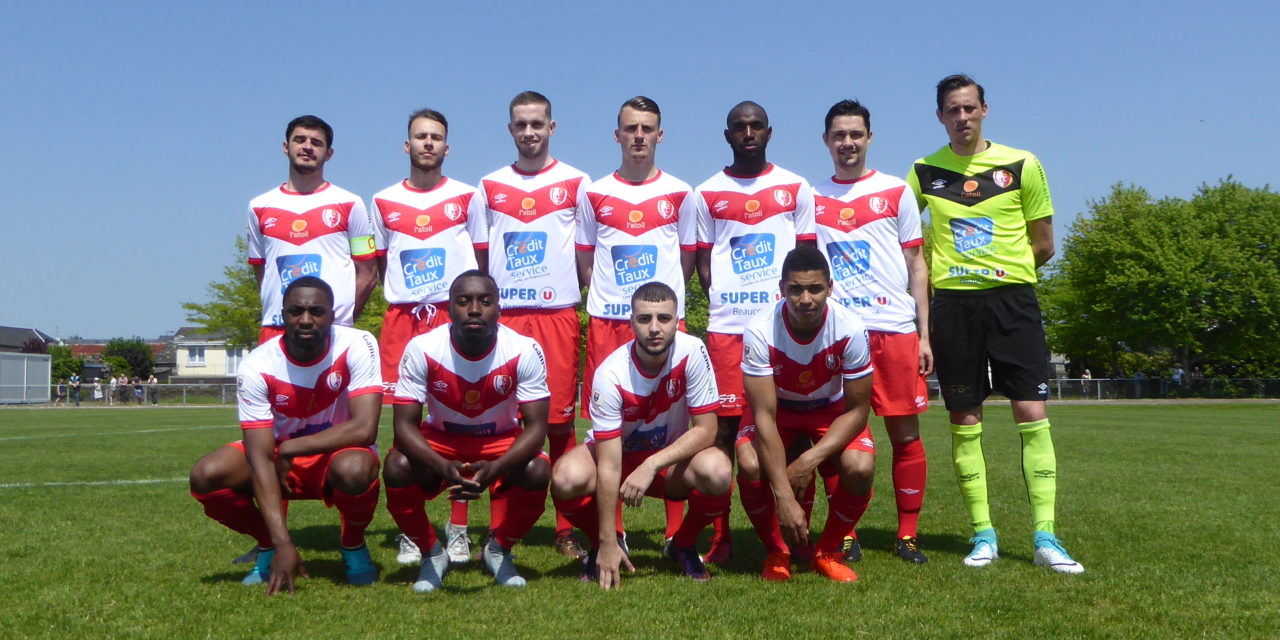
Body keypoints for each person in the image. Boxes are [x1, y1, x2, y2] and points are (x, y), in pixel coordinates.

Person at [906, 74, 1083, 574]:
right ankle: (982, 534)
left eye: (969, 108)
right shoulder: (923, 172)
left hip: (1012, 303)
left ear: (985, 109)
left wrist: (1003, 273)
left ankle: (1045, 536)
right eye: (952, 111)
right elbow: (904, 237)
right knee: (964, 418)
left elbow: (1044, 242)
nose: (961, 118)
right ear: (939, 116)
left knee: (1030, 410)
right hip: (953, 308)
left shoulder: (1023, 163)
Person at [188, 276, 384, 594]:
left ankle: (352, 544)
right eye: (296, 311)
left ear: (332, 315)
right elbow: (259, 457)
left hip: (336, 451)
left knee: (357, 470)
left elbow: (364, 429)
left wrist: (292, 447)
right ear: (283, 314)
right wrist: (282, 543)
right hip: (277, 457)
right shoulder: (257, 365)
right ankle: (267, 544)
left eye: (316, 311)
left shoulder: (358, 343)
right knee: (207, 474)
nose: (306, 319)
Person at [691, 101, 816, 563]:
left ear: (769, 131)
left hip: (784, 331)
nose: (748, 132)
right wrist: (729, 301)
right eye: (739, 127)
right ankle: (721, 538)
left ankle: (798, 536)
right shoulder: (706, 192)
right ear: (727, 135)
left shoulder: (795, 187)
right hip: (728, 331)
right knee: (723, 435)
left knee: (794, 433)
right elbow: (705, 261)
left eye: (755, 125)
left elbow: (805, 259)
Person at [812, 99, 933, 564]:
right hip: (839, 335)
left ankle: (907, 534)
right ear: (827, 141)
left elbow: (916, 263)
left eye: (856, 134)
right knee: (838, 437)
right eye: (839, 135)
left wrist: (924, 335)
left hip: (893, 329)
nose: (848, 143)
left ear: (869, 138)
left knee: (905, 433)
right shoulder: (813, 197)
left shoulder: (896, 191)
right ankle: (846, 532)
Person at [369, 108, 489, 567]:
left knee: (461, 417)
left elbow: (478, 259)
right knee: (406, 423)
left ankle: (458, 527)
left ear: (446, 146)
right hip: (403, 318)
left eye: (436, 137)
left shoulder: (467, 196)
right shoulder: (381, 202)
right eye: (420, 136)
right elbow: (379, 263)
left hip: (450, 315)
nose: (427, 143)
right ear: (407, 145)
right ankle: (411, 530)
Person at [551, 282, 731, 588]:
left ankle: (682, 544)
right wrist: (607, 539)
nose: (654, 328)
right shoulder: (610, 374)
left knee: (719, 470)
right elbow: (608, 465)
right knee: (565, 478)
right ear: (631, 322)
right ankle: (604, 545)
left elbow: (707, 430)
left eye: (664, 318)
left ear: (677, 320)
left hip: (666, 463)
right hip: (617, 461)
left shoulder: (692, 351)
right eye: (645, 319)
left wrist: (651, 465)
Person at [575, 96, 696, 544]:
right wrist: (615, 303)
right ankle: (616, 529)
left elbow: (686, 258)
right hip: (608, 321)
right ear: (617, 134)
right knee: (612, 425)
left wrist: (660, 309)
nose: (639, 136)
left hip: (665, 325)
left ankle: (675, 532)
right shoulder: (594, 192)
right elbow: (586, 260)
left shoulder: (683, 192)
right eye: (631, 128)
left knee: (674, 422)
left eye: (647, 128)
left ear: (659, 135)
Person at [383, 270, 551, 592]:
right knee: (396, 466)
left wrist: (496, 469)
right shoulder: (423, 347)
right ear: (449, 309)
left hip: (499, 441)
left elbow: (537, 427)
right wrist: (441, 467)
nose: (474, 309)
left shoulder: (524, 349)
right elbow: (404, 425)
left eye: (485, 301)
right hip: (442, 440)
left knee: (538, 470)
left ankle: (498, 549)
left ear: (499, 309)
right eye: (464, 301)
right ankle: (431, 552)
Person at [478, 91, 591, 559]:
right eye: (521, 124)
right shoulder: (487, 187)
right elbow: (482, 257)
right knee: (502, 423)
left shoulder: (578, 183)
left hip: (557, 316)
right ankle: (498, 527)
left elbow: (586, 254)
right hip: (507, 320)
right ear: (510, 130)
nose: (529, 131)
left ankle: (565, 529)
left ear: (552, 127)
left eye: (537, 123)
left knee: (560, 424)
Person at [732, 246, 874, 582]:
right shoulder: (759, 329)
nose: (805, 299)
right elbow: (763, 416)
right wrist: (783, 495)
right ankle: (777, 551)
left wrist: (806, 463)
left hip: (830, 411)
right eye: (795, 289)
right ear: (781, 289)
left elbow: (858, 410)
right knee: (750, 463)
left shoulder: (850, 328)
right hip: (778, 411)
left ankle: (826, 551)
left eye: (815, 289)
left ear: (830, 288)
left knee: (861, 466)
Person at [246, 115, 377, 345]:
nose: (307, 147)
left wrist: (338, 321)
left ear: (329, 153)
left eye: (316, 142)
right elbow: (262, 273)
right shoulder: (258, 207)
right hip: (276, 331)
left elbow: (367, 275)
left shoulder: (351, 203)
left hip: (333, 333)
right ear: (286, 147)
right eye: (300, 140)